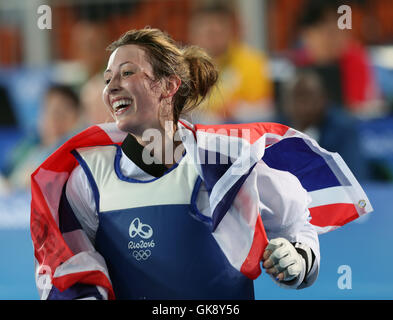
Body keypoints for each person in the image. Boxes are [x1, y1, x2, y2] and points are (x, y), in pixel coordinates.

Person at [30, 28, 371, 300]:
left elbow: (297, 224)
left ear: (168, 85)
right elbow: (69, 267)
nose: (111, 87)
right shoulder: (87, 177)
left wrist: (298, 260)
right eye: (107, 78)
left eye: (127, 72)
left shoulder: (227, 161)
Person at [188, 3, 274, 123]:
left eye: (218, 31)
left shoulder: (252, 62)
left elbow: (264, 108)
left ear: (231, 30)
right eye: (208, 32)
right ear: (192, 33)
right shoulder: (182, 68)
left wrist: (231, 111)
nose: (213, 39)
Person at [279, 71, 370, 181]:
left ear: (323, 99)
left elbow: (354, 177)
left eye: (308, 97)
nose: (301, 106)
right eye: (295, 98)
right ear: (284, 103)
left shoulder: (343, 129)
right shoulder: (273, 132)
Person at [4, 84, 82, 190]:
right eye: (49, 111)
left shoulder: (71, 155)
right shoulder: (29, 144)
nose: (54, 119)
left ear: (76, 119)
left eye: (61, 114)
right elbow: (6, 171)